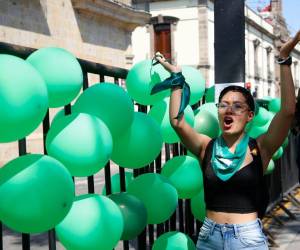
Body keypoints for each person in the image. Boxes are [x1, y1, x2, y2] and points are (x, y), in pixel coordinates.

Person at [153, 30, 300, 250]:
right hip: (209, 237)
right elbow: (177, 122)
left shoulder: (260, 147)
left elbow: (288, 111)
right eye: (223, 105)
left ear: (250, 115)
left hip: (247, 239)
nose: (228, 109)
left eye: (237, 105)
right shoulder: (206, 146)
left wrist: (284, 60)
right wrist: (176, 77)